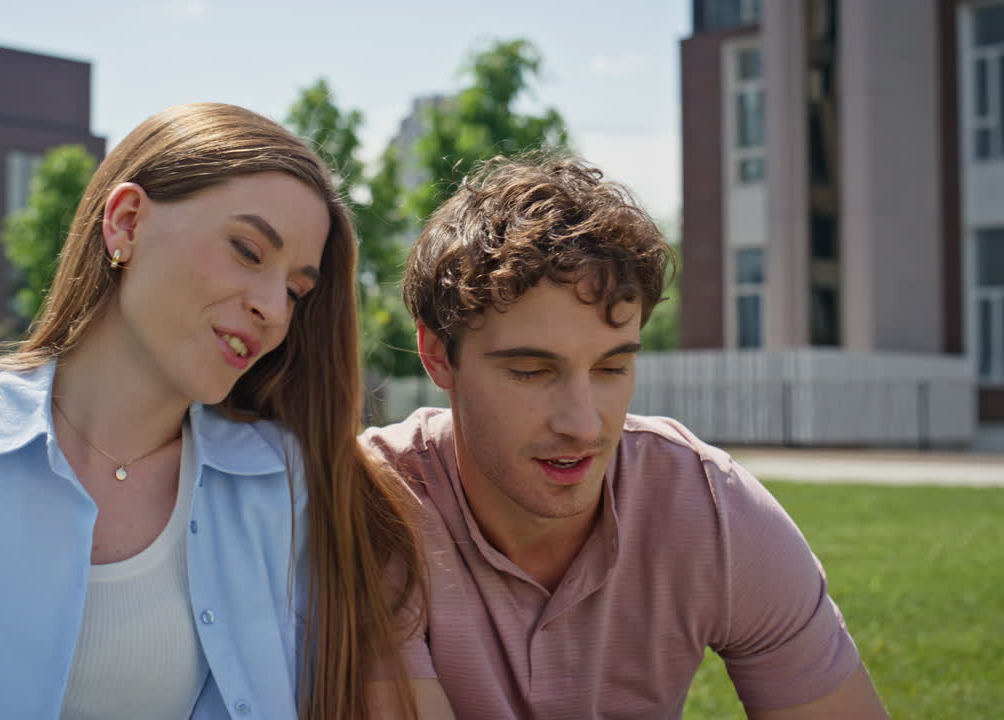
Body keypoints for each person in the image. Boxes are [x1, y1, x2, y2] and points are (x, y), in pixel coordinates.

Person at [0, 103, 424, 720]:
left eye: (298, 291)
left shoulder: (285, 483)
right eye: (247, 251)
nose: (272, 310)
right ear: (125, 223)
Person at [363, 153, 889, 719]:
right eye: (531, 372)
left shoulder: (710, 508)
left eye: (612, 369)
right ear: (438, 355)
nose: (584, 425)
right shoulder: (371, 504)